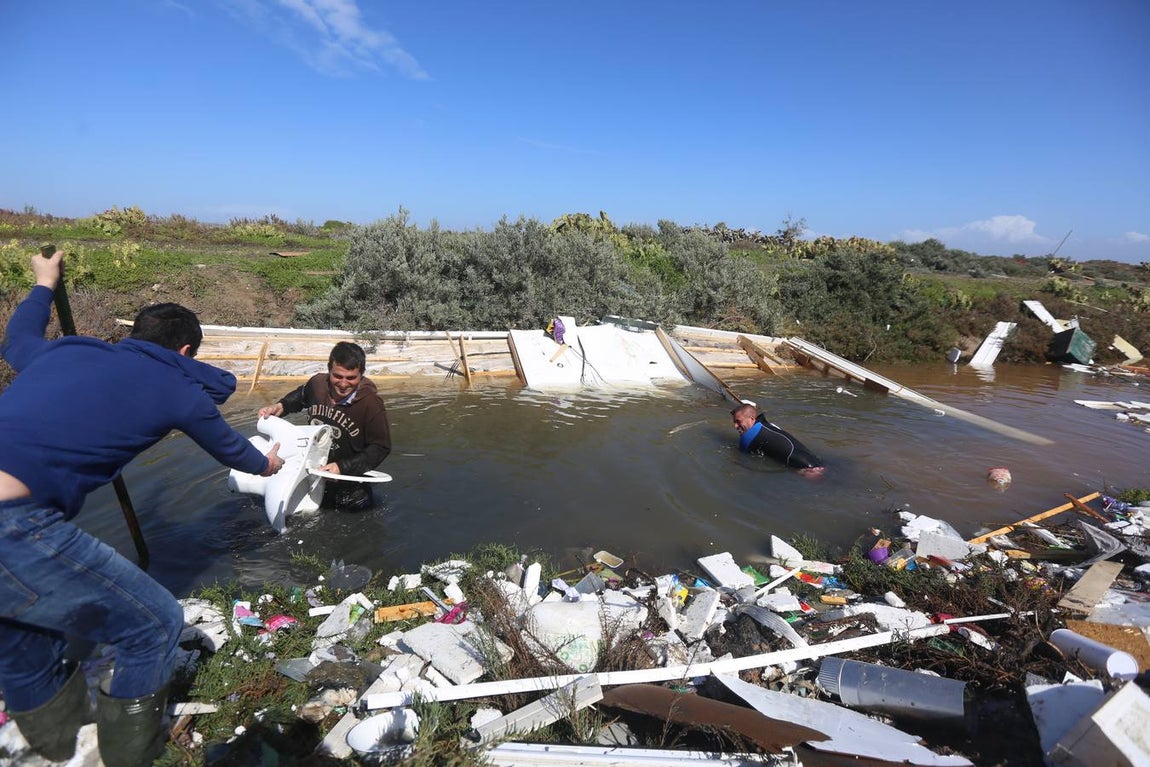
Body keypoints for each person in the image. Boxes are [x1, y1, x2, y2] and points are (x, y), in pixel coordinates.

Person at [0, 250, 284, 766]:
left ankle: (57, 752)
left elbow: (17, 337)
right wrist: (268, 464)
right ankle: (127, 759)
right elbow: (234, 452)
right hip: (11, 522)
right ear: (185, 350)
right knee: (154, 625)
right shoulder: (179, 389)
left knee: (27, 645)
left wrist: (43, 283)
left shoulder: (63, 354)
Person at [258, 341, 391, 509]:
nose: (343, 384)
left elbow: (380, 447)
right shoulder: (317, 384)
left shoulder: (371, 403)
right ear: (329, 370)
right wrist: (280, 406)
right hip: (314, 474)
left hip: (350, 486)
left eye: (351, 378)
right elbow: (301, 396)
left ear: (361, 375)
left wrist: (342, 467)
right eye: (338, 376)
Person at [731, 402, 825, 477]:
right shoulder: (766, 425)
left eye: (738, 421)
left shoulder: (749, 438)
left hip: (809, 471)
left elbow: (742, 456)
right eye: (734, 422)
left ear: (752, 419)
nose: (735, 426)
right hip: (815, 461)